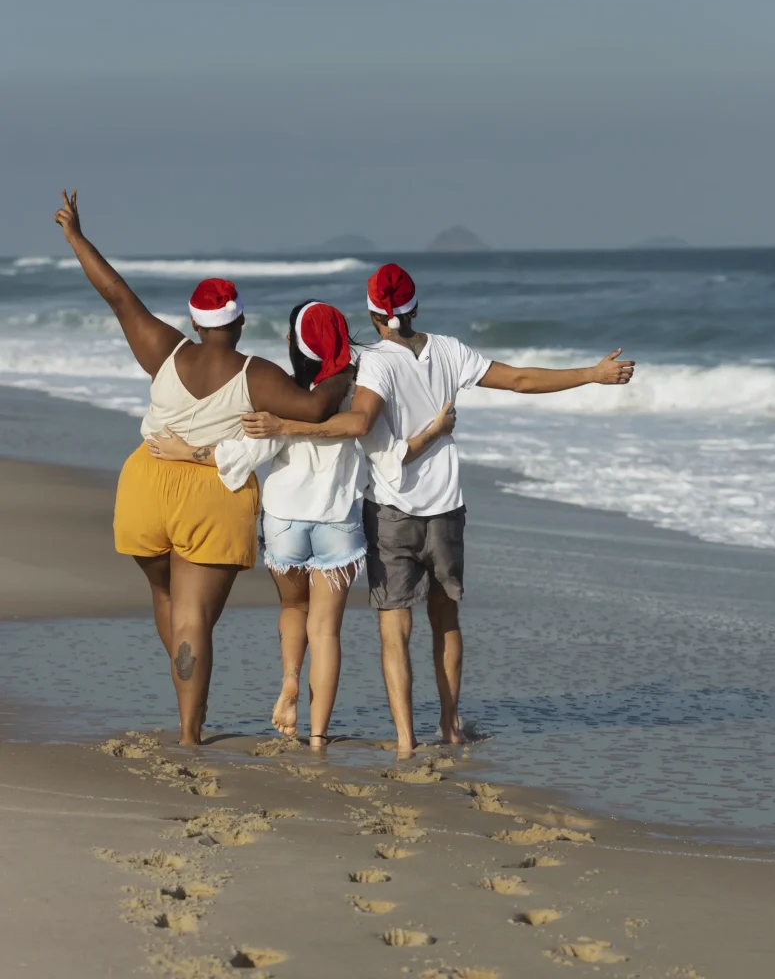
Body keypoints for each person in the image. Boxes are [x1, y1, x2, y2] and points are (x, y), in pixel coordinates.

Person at [240, 263, 636, 758]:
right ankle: (449, 726)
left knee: (394, 630)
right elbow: (520, 380)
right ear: (415, 307)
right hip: (446, 508)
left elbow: (358, 423)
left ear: (371, 311)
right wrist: (592, 375)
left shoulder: (374, 364)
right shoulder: (450, 351)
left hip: (390, 512)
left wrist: (284, 426)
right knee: (445, 621)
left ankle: (406, 740)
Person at [53, 191, 351, 746]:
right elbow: (315, 409)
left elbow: (116, 294)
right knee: (194, 619)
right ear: (239, 323)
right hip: (212, 490)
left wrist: (75, 236)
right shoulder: (254, 373)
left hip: (145, 483)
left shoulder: (164, 350)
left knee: (166, 598)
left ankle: (183, 701)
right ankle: (191, 733)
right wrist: (344, 368)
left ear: (194, 320)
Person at [148, 300, 457, 749]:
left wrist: (187, 453)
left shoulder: (285, 397)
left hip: (284, 522)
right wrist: (434, 431)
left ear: (296, 344)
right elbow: (388, 456)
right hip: (338, 523)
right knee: (326, 631)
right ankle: (316, 735)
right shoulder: (356, 397)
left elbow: (246, 453)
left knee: (293, 610)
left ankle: (290, 680)